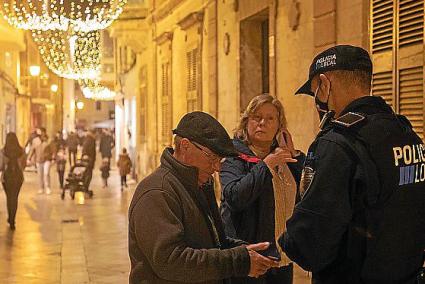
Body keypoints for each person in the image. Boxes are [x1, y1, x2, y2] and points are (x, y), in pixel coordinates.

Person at [278, 45, 425, 283]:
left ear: (325, 85)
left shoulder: (339, 142)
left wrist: (286, 240)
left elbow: (309, 244)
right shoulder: (406, 133)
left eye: (315, 92)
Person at [128, 111, 280, 284]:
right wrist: (237, 261)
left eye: (219, 160)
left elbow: (210, 240)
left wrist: (242, 250)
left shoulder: (198, 184)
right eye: (212, 157)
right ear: (185, 146)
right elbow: (171, 261)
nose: (217, 167)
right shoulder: (157, 192)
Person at [219, 94, 305, 284]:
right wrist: (265, 166)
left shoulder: (285, 159)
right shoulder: (234, 157)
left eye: (270, 118)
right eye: (256, 117)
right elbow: (235, 196)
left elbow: (310, 188)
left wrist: (294, 154)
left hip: (282, 258)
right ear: (246, 121)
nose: (262, 123)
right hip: (250, 260)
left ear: (279, 126)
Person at [0, 133, 26, 230]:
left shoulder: (3, 151)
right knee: (14, 198)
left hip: (6, 178)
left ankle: (10, 217)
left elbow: (1, 166)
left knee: (9, 198)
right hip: (18, 177)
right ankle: (12, 220)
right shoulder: (22, 151)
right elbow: (24, 165)